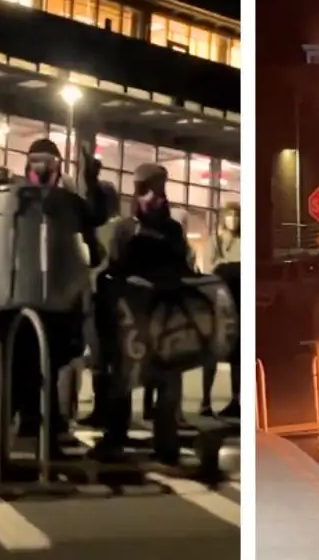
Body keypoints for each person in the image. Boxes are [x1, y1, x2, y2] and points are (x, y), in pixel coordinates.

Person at [0, 138, 106, 461]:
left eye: (48, 164)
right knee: (13, 373)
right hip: (10, 300)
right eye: (35, 163)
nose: (41, 171)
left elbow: (93, 227)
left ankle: (35, 437)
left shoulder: (68, 204)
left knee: (39, 373)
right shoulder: (7, 201)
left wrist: (92, 184)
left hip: (51, 303)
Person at [91, 163, 199, 464]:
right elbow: (112, 270)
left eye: (160, 190)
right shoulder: (125, 229)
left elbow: (182, 269)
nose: (155, 197)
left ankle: (166, 442)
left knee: (167, 380)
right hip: (130, 315)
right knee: (123, 379)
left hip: (164, 314)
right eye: (148, 190)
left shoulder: (172, 230)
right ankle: (115, 438)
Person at [78, 180, 122, 429]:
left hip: (107, 300)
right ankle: (100, 408)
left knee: (106, 359)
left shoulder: (115, 228)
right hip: (92, 300)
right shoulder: (91, 229)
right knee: (97, 359)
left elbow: (113, 260)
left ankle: (106, 411)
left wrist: (95, 273)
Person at [201, 201, 241, 418]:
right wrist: (230, 267)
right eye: (229, 215)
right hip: (216, 305)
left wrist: (226, 267)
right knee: (210, 354)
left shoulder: (244, 241)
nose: (233, 219)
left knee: (237, 356)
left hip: (237, 304)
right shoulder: (214, 241)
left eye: (236, 215)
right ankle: (205, 401)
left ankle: (235, 400)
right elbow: (210, 270)